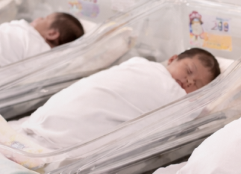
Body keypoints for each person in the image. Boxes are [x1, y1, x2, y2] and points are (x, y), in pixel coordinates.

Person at [19, 48, 221, 149]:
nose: (188, 81)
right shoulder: (141, 67)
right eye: (189, 71)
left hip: (60, 140)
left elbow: (191, 112)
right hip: (63, 112)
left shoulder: (179, 101)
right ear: (172, 59)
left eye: (197, 85)